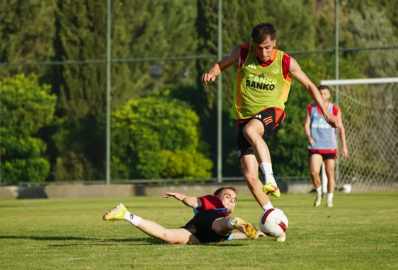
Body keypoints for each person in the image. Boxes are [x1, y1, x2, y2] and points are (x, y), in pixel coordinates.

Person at [201, 23, 339, 213]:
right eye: (259, 48)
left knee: (251, 130)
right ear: (253, 44)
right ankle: (272, 215)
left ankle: (270, 179)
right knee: (249, 175)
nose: (264, 52)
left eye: (267, 47)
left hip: (273, 112)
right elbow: (221, 64)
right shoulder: (242, 52)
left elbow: (308, 85)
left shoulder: (285, 61)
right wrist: (211, 73)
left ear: (274, 42)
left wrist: (326, 113)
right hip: (244, 117)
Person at [102, 187, 265, 244]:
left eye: (234, 199)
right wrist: (183, 197)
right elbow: (196, 202)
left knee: (168, 236)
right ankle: (234, 222)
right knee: (223, 223)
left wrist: (254, 233)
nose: (231, 200)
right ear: (218, 196)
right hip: (213, 222)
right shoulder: (214, 201)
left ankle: (125, 214)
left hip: (199, 233)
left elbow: (232, 236)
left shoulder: (224, 225)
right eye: (227, 196)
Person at [304, 85, 348, 207]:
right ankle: (319, 192)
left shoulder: (334, 109)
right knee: (314, 172)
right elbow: (307, 125)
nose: (322, 95)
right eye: (320, 93)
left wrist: (344, 146)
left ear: (328, 95)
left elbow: (341, 128)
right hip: (316, 146)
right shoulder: (311, 108)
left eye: (324, 93)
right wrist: (309, 137)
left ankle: (329, 199)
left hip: (329, 146)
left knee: (330, 172)